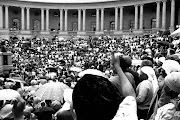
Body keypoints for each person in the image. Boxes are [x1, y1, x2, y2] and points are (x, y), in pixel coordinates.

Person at [71, 52, 137, 120]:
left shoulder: (112, 80)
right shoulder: (126, 116)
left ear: (75, 115)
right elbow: (130, 96)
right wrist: (117, 66)